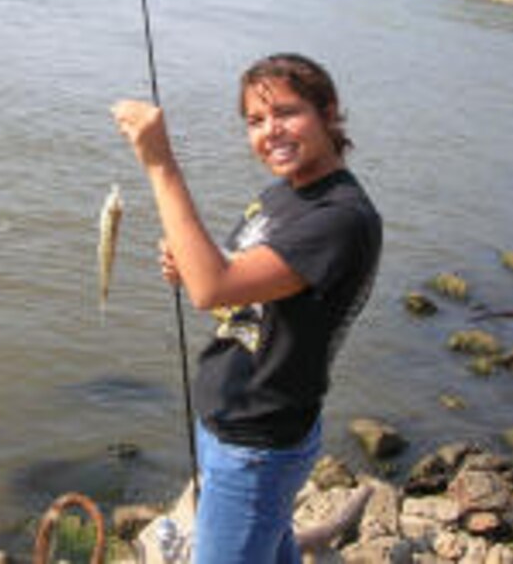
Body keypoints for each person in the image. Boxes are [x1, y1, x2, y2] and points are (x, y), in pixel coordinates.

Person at [112, 53, 382, 564]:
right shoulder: (285, 196)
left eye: (286, 112)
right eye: (255, 121)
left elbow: (213, 288)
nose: (270, 131)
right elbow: (234, 283)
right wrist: (189, 263)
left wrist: (159, 162)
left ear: (328, 113)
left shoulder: (341, 218)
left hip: (257, 442)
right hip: (229, 418)